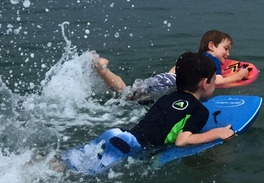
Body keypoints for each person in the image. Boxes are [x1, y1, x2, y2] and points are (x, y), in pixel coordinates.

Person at [60, 52, 235, 172]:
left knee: (66, 164)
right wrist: (217, 133)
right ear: (205, 83)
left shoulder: (166, 97)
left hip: (117, 133)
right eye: (214, 80)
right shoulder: (200, 110)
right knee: (82, 177)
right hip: (129, 147)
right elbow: (183, 140)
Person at [93, 28, 249, 100]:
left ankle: (103, 70)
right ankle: (102, 69)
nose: (228, 54)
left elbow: (175, 69)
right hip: (170, 84)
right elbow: (219, 81)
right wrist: (240, 74)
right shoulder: (211, 60)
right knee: (127, 94)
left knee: (127, 92)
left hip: (165, 78)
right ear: (211, 46)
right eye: (226, 49)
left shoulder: (195, 58)